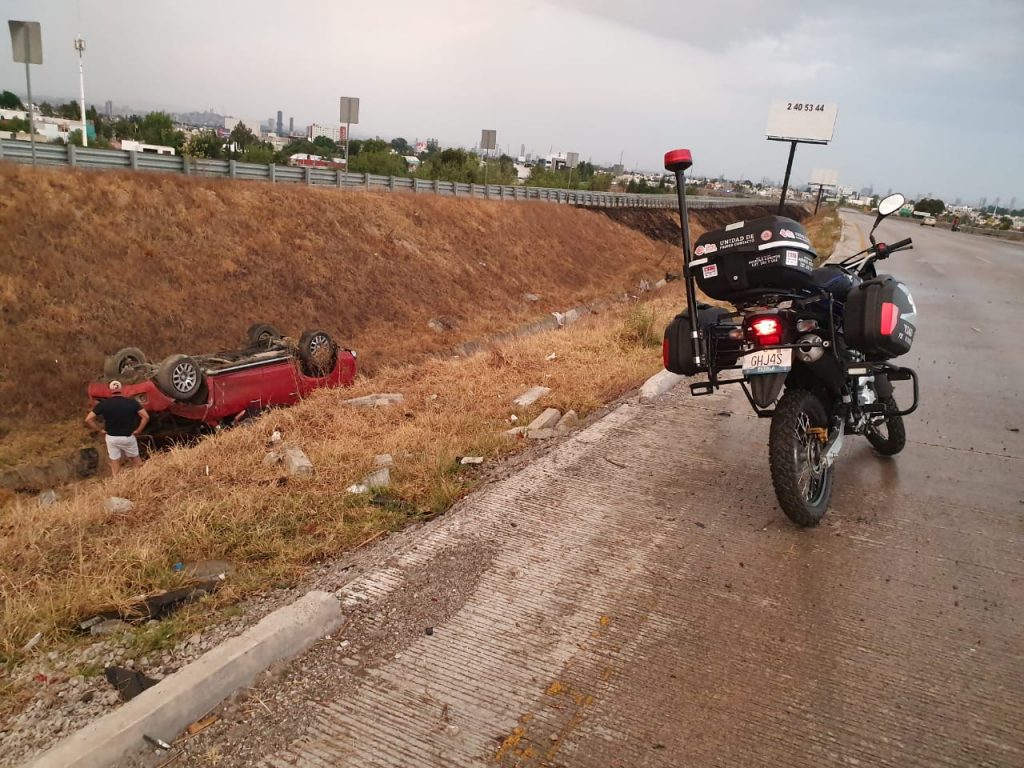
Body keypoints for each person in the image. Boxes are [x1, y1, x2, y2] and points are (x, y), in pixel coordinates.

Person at [86, 381, 150, 475]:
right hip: (128, 437)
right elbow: (146, 416)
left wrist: (99, 430)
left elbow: (88, 419)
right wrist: (138, 430)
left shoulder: (104, 404)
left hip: (112, 438)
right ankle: (144, 480)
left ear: (110, 390)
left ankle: (117, 485)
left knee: (115, 464)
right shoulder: (132, 402)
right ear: (121, 389)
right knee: (137, 462)